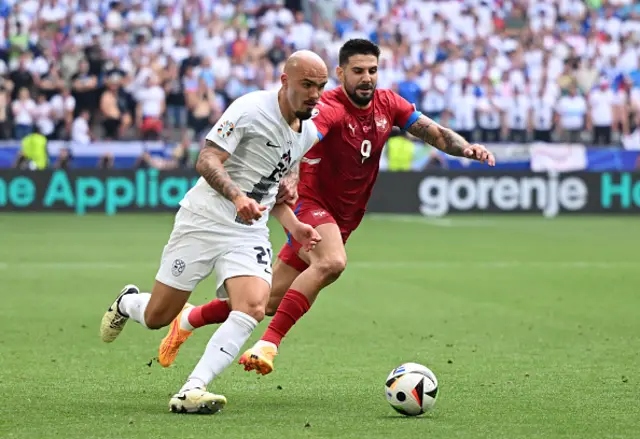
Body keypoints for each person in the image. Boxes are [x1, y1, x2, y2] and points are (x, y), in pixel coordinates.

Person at [157, 39, 495, 376]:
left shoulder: (388, 104)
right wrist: (288, 175)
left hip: (346, 216)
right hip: (311, 205)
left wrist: (467, 149)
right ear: (340, 72)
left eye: (373, 71)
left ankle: (189, 318)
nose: (367, 78)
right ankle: (268, 345)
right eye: (358, 71)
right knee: (332, 262)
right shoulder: (329, 107)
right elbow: (296, 140)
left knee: (267, 302)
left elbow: (433, 132)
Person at [99, 50, 328, 414]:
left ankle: (193, 387)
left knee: (253, 305)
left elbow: (273, 192)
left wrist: (296, 227)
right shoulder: (251, 109)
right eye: (307, 85)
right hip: (203, 220)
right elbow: (206, 158)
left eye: (321, 86)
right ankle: (128, 301)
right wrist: (237, 196)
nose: (315, 94)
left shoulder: (308, 133)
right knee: (158, 316)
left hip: (247, 231)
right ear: (285, 81)